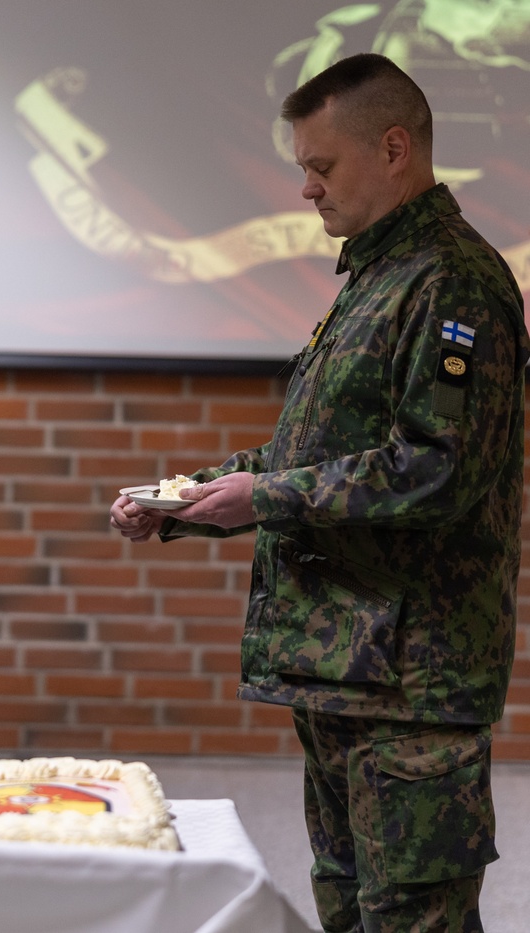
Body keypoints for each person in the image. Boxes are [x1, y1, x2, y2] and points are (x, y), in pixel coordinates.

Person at [111, 53, 527, 933]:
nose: (305, 188)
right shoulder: (376, 277)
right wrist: (188, 500)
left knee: (413, 919)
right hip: (348, 671)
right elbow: (315, 453)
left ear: (394, 149)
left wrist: (265, 497)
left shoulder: (453, 283)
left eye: (321, 166)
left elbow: (436, 466)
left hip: (412, 681)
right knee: (349, 909)